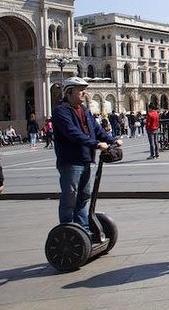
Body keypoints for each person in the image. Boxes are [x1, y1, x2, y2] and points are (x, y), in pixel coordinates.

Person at [52, 77, 122, 231]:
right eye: (80, 90)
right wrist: (96, 144)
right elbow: (73, 133)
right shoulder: (60, 111)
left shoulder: (84, 110)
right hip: (70, 161)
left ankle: (82, 229)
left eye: (84, 90)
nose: (84, 93)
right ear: (69, 92)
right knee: (70, 197)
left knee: (84, 196)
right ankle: (67, 229)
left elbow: (96, 129)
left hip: (85, 159)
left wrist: (112, 140)